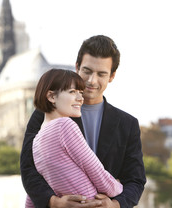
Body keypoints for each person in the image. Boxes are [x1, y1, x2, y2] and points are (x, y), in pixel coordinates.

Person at [20, 35, 146, 208]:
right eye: (87, 71)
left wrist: (115, 204)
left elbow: (136, 179)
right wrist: (54, 202)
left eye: (101, 74)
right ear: (77, 67)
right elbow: (28, 168)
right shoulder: (45, 113)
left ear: (112, 76)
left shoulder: (128, 124)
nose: (91, 81)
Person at [25, 69, 123, 208]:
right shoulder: (64, 125)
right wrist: (117, 188)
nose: (80, 98)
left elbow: (32, 194)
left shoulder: (36, 141)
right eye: (72, 92)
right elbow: (95, 170)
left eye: (80, 92)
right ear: (52, 97)